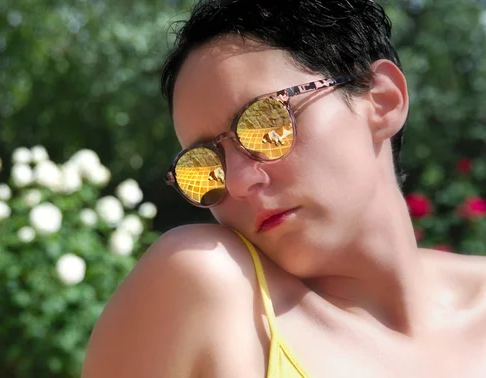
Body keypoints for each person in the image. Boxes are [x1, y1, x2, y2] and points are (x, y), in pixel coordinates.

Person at [82, 1, 486, 377]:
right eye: (205, 165)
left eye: (265, 124)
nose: (239, 182)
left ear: (382, 101)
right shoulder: (207, 287)